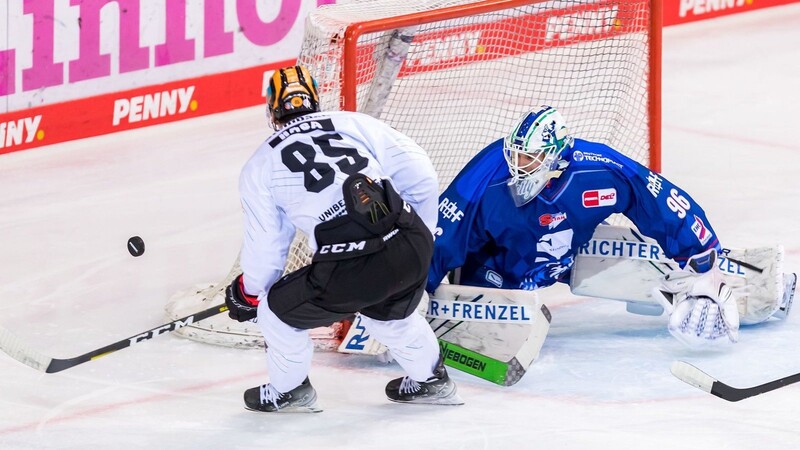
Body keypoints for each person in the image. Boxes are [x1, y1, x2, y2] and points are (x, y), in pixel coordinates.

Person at [427, 105, 795, 348]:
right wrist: (413, 295)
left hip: (567, 254)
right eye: (515, 154)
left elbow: (661, 199)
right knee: (498, 337)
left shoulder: (599, 168)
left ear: (557, 153)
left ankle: (736, 282)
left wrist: (704, 260)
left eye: (530, 157)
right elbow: (445, 230)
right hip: (494, 265)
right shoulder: (488, 173)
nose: (518, 165)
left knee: (649, 257)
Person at [223, 65, 463, 412]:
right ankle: (432, 381)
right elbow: (419, 171)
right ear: (316, 101)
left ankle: (289, 392)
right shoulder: (351, 122)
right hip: (411, 241)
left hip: (352, 266)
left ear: (273, 111)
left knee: (277, 313)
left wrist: (251, 292)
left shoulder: (260, 165)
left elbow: (267, 245)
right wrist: (417, 232)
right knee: (391, 317)